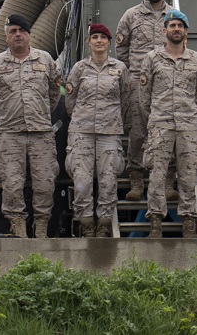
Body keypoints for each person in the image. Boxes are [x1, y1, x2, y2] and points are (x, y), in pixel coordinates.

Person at [0, 14, 60, 238]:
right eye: (13, 31)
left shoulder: (45, 60)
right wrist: (8, 117)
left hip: (41, 133)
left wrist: (39, 113)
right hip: (10, 134)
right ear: (6, 36)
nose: (18, 35)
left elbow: (53, 95)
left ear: (29, 35)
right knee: (12, 183)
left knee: (45, 183)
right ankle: (18, 229)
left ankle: (42, 228)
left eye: (21, 31)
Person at [140, 10, 197, 238]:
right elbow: (144, 96)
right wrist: (160, 113)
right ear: (164, 30)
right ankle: (156, 222)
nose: (176, 29)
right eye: (172, 25)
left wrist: (187, 111)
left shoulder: (196, 59)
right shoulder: (152, 58)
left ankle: (188, 221)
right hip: (160, 124)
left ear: (186, 31)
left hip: (187, 125)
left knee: (188, 175)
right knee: (157, 175)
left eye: (180, 25)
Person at [65, 22, 131, 237]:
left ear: (109, 43)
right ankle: (85, 224)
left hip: (109, 132)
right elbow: (70, 100)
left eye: (103, 37)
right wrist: (80, 119)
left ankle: (103, 224)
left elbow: (126, 99)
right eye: (95, 37)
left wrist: (115, 121)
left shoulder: (120, 69)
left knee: (108, 180)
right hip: (81, 131)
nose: (99, 41)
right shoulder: (79, 69)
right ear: (89, 42)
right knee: (82, 181)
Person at [115, 0, 170, 202]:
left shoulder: (174, 16)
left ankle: (167, 179)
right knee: (138, 132)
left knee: (167, 131)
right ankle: (136, 180)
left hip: (167, 83)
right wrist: (130, 77)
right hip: (139, 81)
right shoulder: (131, 16)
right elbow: (121, 49)